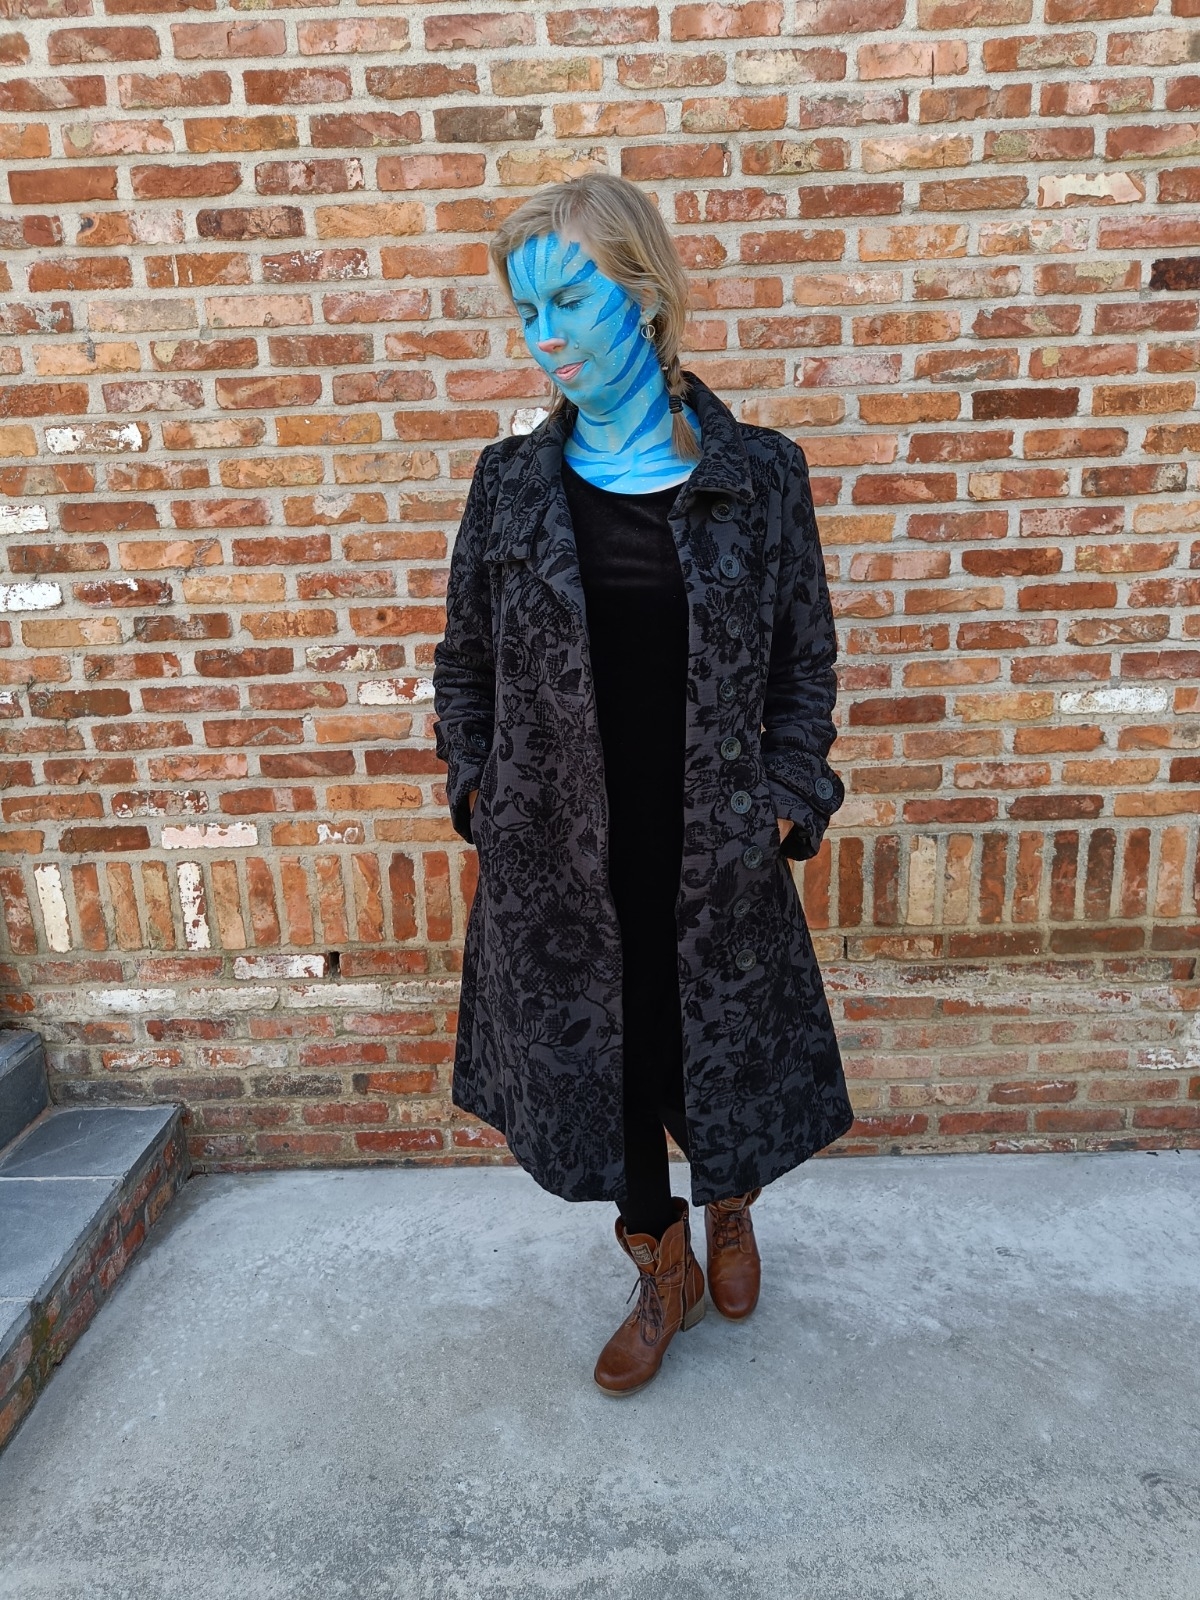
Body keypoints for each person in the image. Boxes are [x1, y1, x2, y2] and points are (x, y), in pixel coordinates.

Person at [432, 171, 854, 1397]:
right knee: (605, 1071)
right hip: (560, 853)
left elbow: (804, 659)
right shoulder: (509, 487)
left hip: (715, 843)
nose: (546, 336)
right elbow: (464, 662)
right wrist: (477, 789)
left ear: (648, 294)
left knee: (708, 1043)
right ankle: (659, 1261)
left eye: (571, 300)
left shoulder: (759, 475)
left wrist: (788, 794)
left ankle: (731, 1203)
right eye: (527, 313)